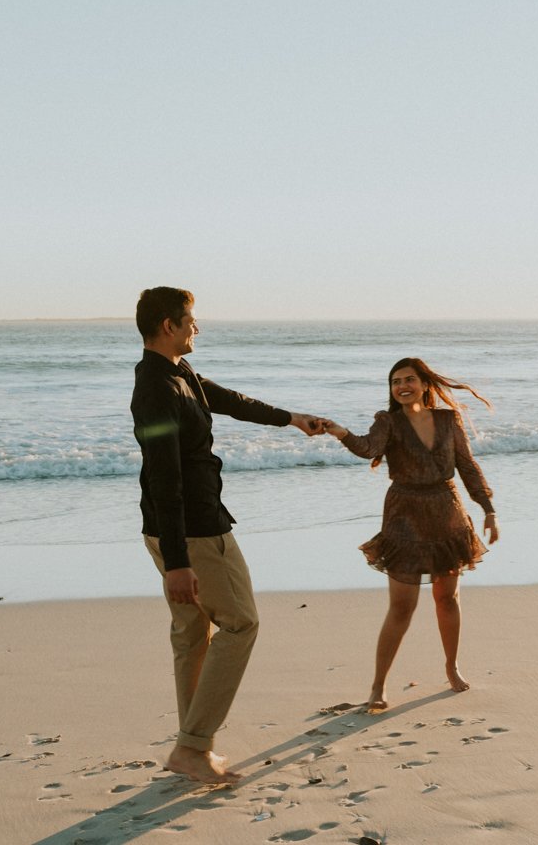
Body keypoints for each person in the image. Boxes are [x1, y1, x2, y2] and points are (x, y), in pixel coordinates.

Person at [131, 286, 324, 784]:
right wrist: (177, 561)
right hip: (194, 532)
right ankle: (192, 747)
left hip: (173, 529)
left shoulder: (177, 374)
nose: (198, 327)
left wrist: (290, 419)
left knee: (193, 636)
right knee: (241, 624)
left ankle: (191, 747)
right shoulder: (158, 388)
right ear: (169, 326)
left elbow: (228, 400)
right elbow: (163, 476)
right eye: (191, 320)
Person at [319, 357, 501, 710]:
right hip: (403, 515)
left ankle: (451, 667)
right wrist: (340, 432)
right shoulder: (387, 422)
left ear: (424, 384)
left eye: (408, 379)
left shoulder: (449, 420)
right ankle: (378, 686)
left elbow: (467, 467)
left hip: (446, 512)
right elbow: (368, 448)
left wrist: (488, 509)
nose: (401, 386)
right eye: (394, 382)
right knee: (402, 606)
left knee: (447, 598)